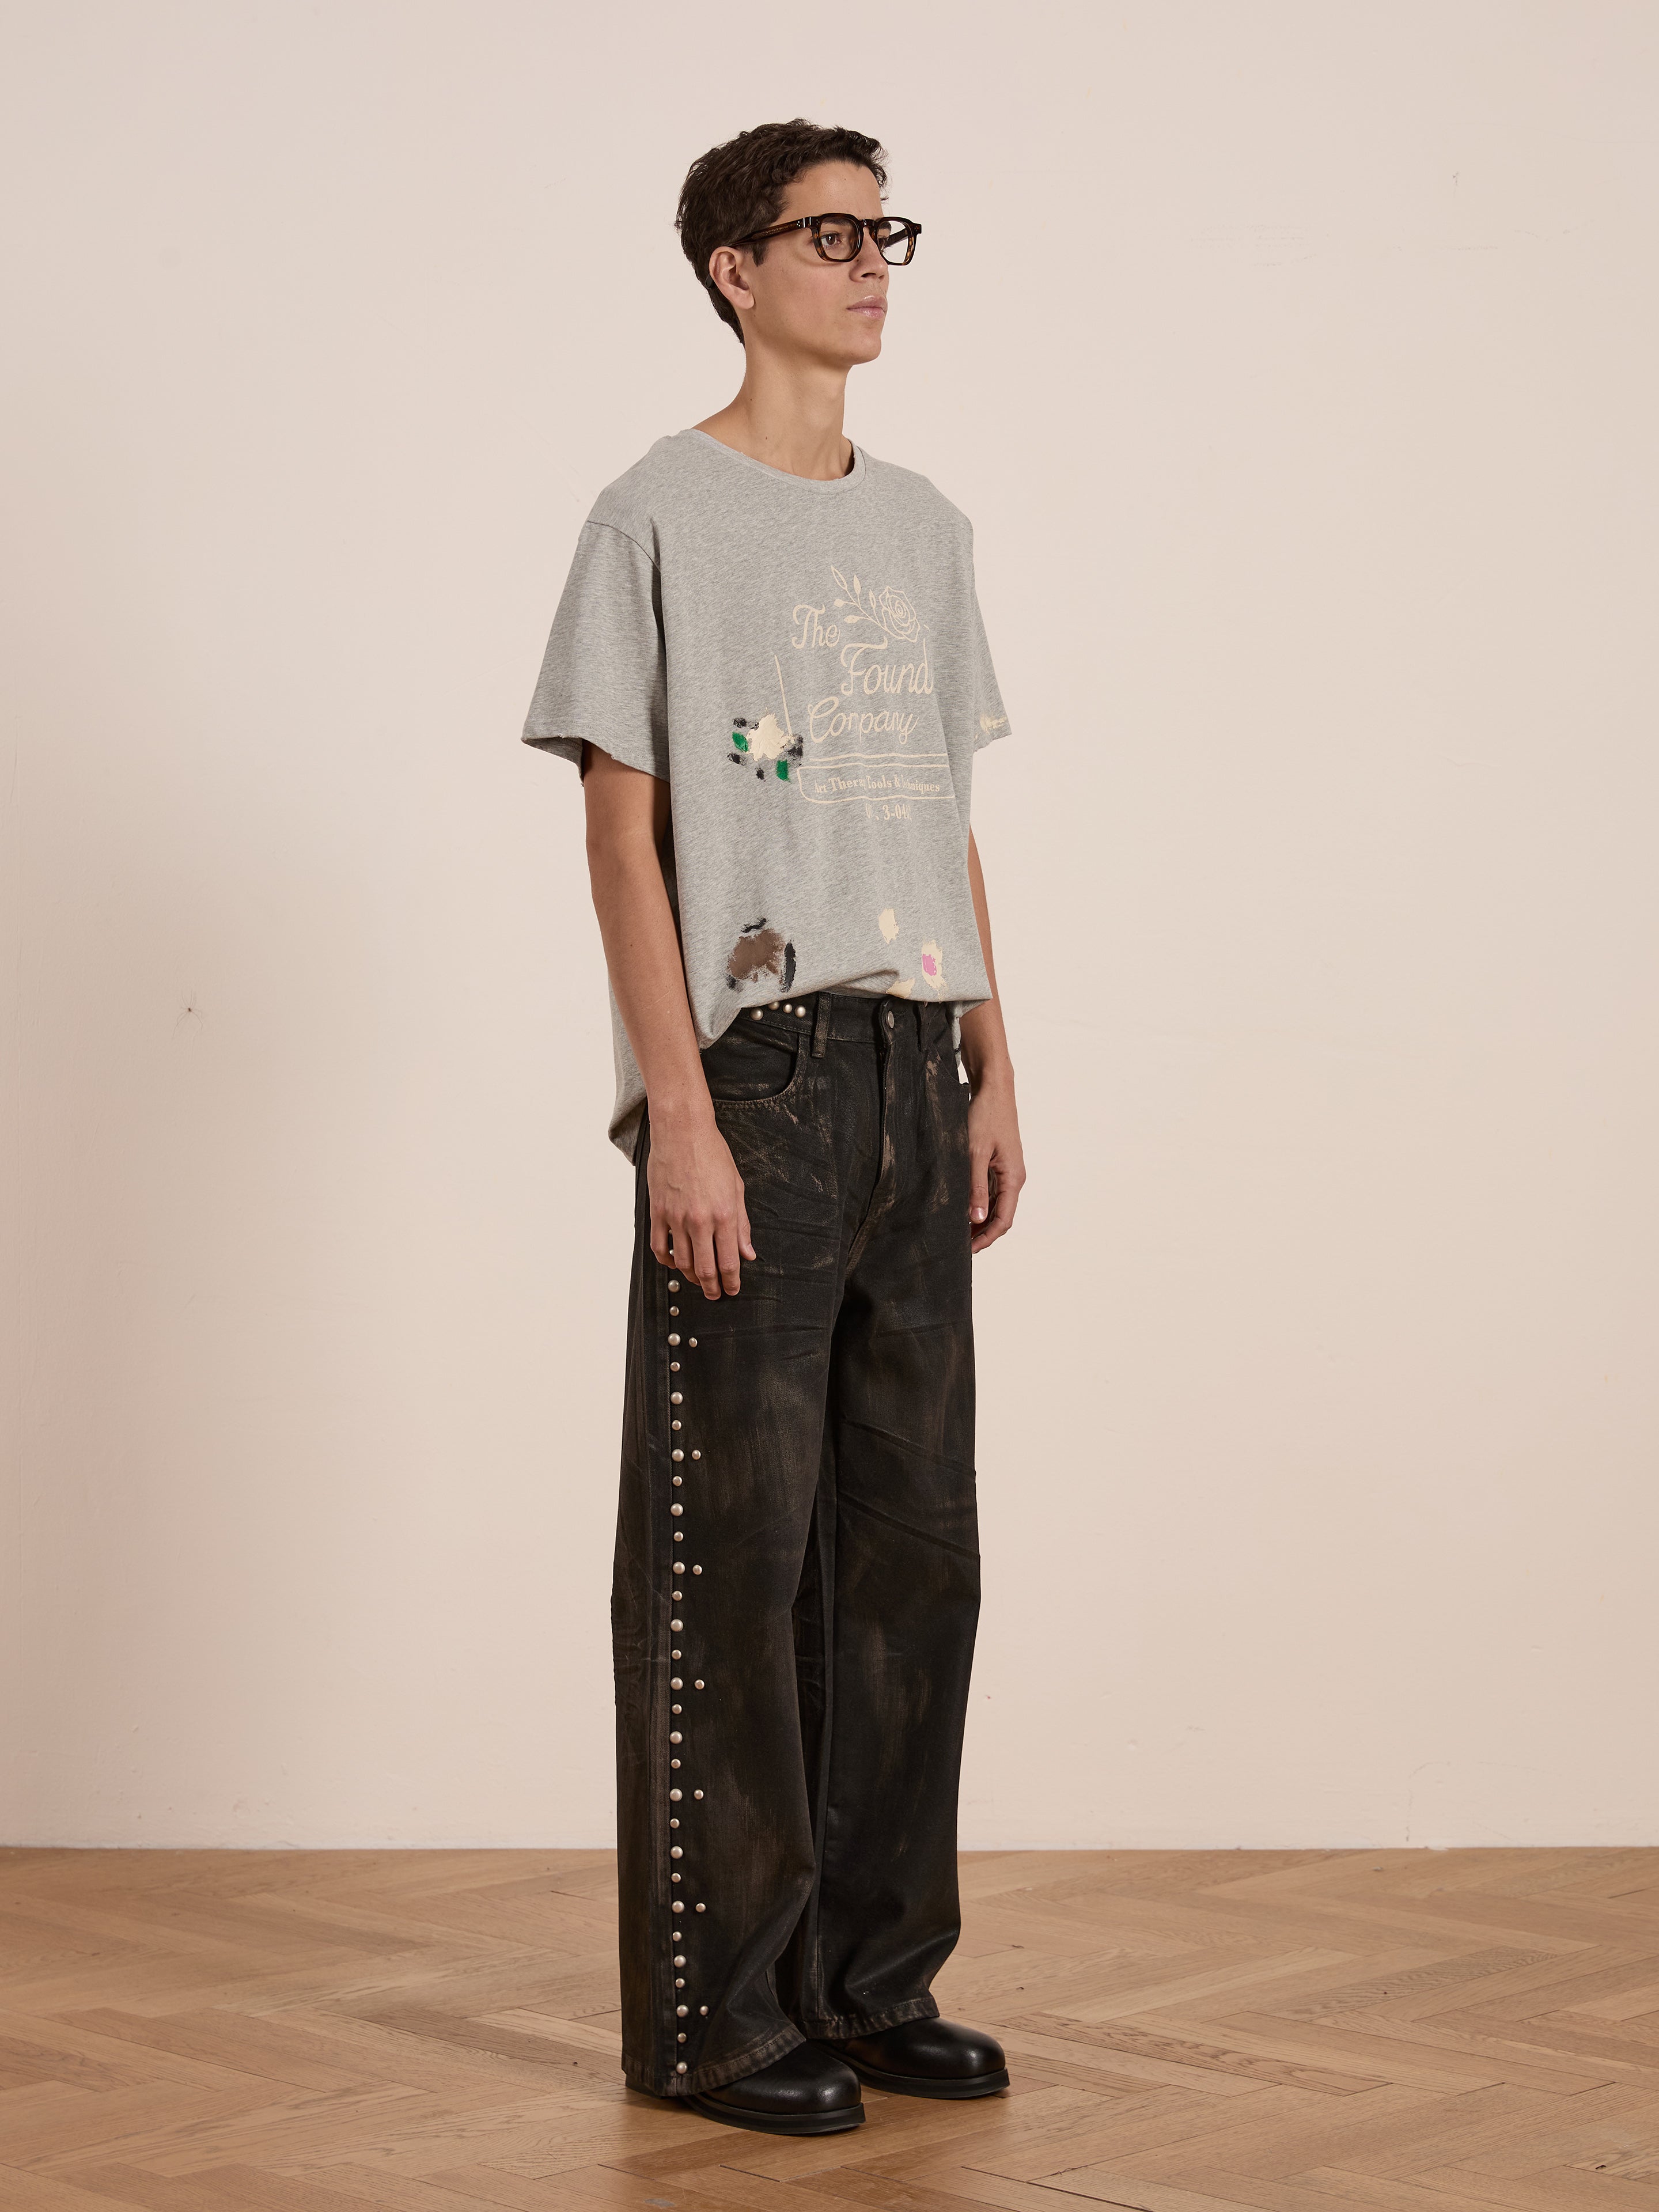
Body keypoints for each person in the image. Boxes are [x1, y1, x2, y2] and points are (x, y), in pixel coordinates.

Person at [521, 119, 1027, 2139]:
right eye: (832, 232)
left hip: (916, 1061)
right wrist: (678, 1117)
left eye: (885, 227)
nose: (872, 260)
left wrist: (1000, 1055)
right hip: (765, 1075)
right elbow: (621, 837)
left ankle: (874, 1980)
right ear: (735, 267)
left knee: (915, 1556)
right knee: (735, 1553)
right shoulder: (653, 512)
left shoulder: (928, 528)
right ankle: (722, 2017)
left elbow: (942, 819)